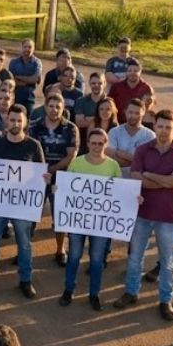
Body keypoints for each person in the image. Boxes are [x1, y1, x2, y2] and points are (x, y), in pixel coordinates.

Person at [114, 110, 173, 320]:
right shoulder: (142, 150)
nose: (164, 131)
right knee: (135, 256)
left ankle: (166, 300)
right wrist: (166, 180)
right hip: (142, 212)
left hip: (168, 215)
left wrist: (150, 175)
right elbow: (137, 179)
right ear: (154, 126)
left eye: (168, 127)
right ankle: (131, 291)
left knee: (167, 261)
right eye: (160, 126)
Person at [0, 105, 46, 296]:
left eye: (19, 120)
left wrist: (44, 178)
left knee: (24, 243)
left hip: (22, 205)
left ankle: (25, 280)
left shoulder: (33, 146)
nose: (15, 124)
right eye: (12, 120)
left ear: (25, 122)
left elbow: (40, 172)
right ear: (7, 121)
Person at [60, 128, 122, 310]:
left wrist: (133, 198)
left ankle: (94, 294)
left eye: (100, 143)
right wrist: (59, 190)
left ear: (106, 144)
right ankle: (68, 290)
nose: (96, 147)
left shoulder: (113, 166)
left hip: (101, 223)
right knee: (73, 257)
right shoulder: (77, 163)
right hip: (77, 221)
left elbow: (119, 193)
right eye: (93, 143)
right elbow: (67, 189)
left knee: (96, 260)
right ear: (88, 144)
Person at [30, 93, 79, 265]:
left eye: (58, 107)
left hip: (61, 177)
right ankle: (25, 247)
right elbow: (30, 150)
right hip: (37, 176)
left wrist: (51, 169)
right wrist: (41, 170)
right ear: (45, 107)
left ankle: (60, 249)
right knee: (31, 212)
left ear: (62, 108)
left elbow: (71, 156)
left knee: (60, 215)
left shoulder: (71, 128)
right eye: (51, 106)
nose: (54, 110)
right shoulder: (34, 126)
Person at [107, 98, 155, 170]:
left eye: (136, 113)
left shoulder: (150, 136)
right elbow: (110, 156)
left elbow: (148, 161)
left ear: (143, 112)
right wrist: (136, 161)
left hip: (139, 178)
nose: (132, 116)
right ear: (125, 112)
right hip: (116, 175)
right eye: (130, 112)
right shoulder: (114, 132)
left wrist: (119, 153)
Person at [72, 71, 106, 151]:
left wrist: (88, 118)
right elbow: (79, 123)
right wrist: (100, 119)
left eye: (99, 83)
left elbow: (112, 124)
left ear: (104, 84)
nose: (96, 86)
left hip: (104, 141)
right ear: (89, 84)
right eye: (93, 83)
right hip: (84, 140)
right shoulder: (81, 101)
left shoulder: (110, 102)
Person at [8, 38, 42, 112]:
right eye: (25, 47)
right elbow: (11, 81)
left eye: (30, 47)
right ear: (21, 48)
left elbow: (35, 79)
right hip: (15, 97)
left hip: (29, 98)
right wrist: (28, 81)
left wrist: (19, 77)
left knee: (29, 119)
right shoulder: (13, 62)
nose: (27, 49)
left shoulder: (37, 63)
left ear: (33, 49)